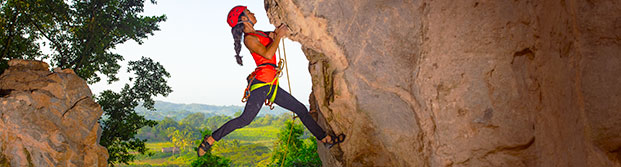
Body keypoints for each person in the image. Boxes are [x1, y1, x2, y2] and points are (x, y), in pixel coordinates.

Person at [197, 6, 345, 157]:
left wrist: (276, 33)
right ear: (243, 19)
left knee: (300, 109)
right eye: (249, 13)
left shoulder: (258, 33)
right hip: (262, 85)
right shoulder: (249, 39)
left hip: (271, 85)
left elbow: (272, 35)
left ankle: (325, 139)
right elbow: (268, 54)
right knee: (245, 120)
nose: (253, 13)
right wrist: (279, 36)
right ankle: (210, 139)